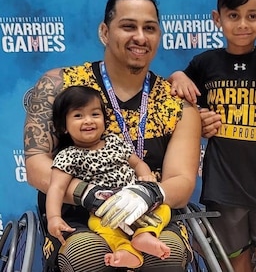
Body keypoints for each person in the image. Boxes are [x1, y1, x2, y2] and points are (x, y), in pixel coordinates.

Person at [24, 0, 201, 272]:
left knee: (164, 256)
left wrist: (147, 194)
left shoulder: (178, 103)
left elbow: (181, 182)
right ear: (105, 32)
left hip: (152, 218)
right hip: (78, 218)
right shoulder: (59, 85)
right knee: (87, 254)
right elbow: (36, 165)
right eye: (129, 26)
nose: (141, 37)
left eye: (150, 28)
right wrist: (89, 194)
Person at [168, 0, 256, 271]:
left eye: (252, 16)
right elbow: (177, 89)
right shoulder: (205, 63)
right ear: (217, 18)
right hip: (224, 187)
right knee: (236, 263)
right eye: (233, 15)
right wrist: (178, 77)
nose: (243, 24)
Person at [46, 85, 171, 269]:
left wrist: (145, 175)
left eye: (95, 114)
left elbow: (136, 163)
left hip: (136, 201)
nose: (88, 121)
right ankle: (125, 251)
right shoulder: (69, 155)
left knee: (164, 209)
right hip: (105, 211)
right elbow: (56, 188)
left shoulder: (114, 142)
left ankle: (144, 235)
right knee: (103, 228)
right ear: (64, 126)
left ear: (104, 119)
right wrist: (54, 217)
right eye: (78, 116)